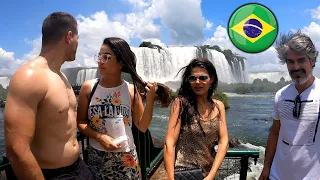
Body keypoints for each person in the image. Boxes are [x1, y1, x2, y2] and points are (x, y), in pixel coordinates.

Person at [4, 12, 93, 180]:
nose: (78, 44)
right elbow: (16, 150)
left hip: (78, 167)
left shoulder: (61, 76)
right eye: (78, 38)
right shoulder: (30, 77)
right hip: (51, 175)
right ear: (69, 36)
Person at [76, 37, 172, 180]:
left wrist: (150, 100)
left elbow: (142, 126)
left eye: (106, 57)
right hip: (96, 158)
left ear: (121, 62)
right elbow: (81, 122)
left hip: (126, 160)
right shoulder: (88, 87)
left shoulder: (131, 90)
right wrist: (100, 137)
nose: (100, 61)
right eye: (99, 56)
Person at [259, 30, 320, 180]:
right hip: (278, 175)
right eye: (290, 62)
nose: (295, 67)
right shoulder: (280, 95)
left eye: (301, 60)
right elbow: (275, 133)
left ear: (313, 61)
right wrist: (266, 167)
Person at [164, 58, 229, 180]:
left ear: (212, 79)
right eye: (193, 78)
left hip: (207, 174)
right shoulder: (180, 104)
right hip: (183, 173)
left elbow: (223, 141)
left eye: (203, 78)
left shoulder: (219, 106)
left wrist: (212, 174)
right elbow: (169, 143)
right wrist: (171, 178)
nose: (197, 82)